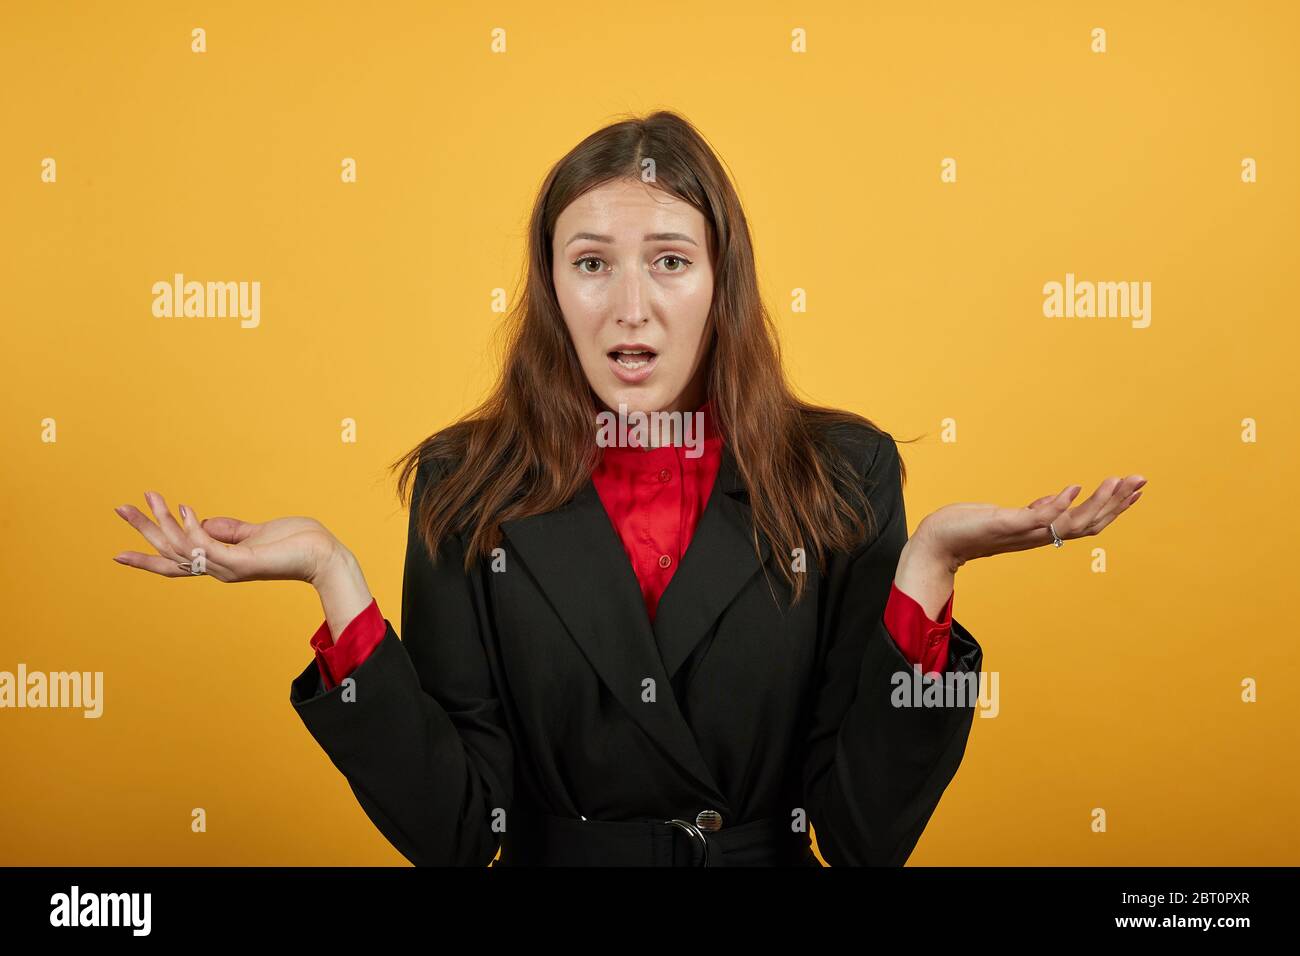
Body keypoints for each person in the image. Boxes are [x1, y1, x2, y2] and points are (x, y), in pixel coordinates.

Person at [112, 110, 1146, 866]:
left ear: (719, 281)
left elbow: (867, 834)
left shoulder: (845, 474)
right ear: (552, 288)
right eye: (592, 263)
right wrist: (332, 578)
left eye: (669, 259)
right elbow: (457, 832)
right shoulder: (464, 486)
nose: (632, 308)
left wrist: (926, 572)